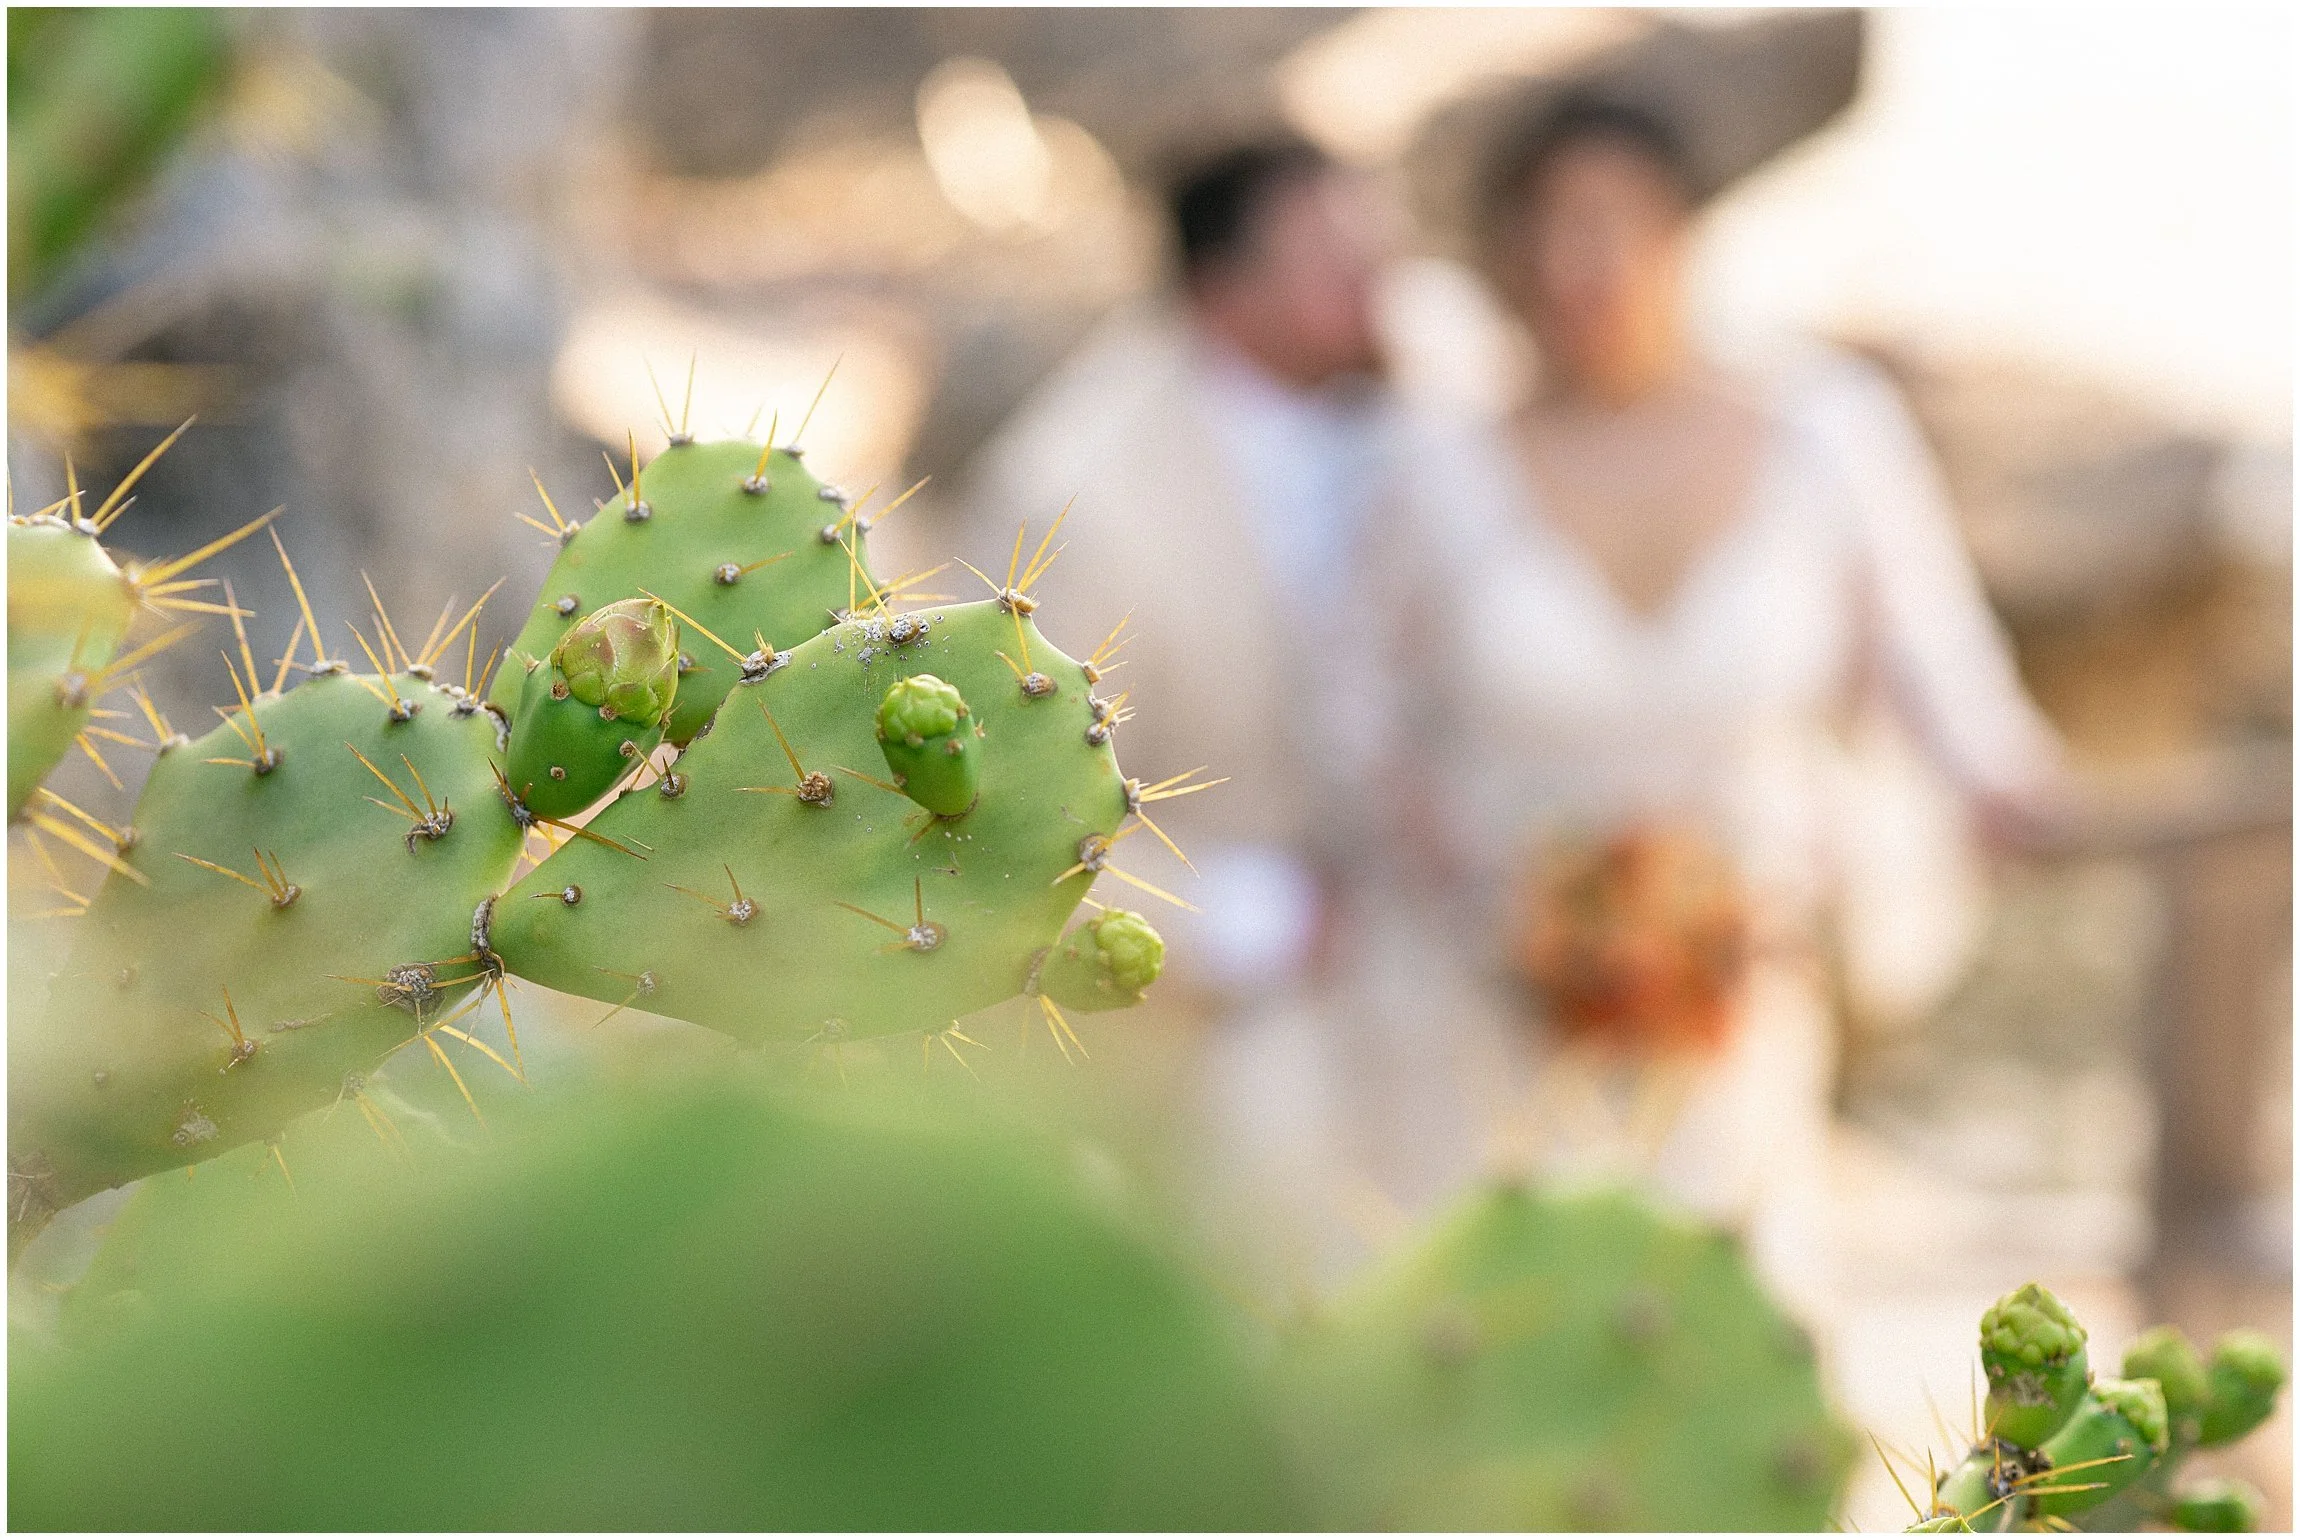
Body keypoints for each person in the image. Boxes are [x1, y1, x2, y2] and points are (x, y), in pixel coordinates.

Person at [1341, 93, 2071, 1328]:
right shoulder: (1433, 466)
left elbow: (1933, 659)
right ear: (1502, 265)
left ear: (1682, 235)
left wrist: (2011, 786)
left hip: (1738, 985)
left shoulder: (1824, 431)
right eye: (1546, 234)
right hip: (1490, 992)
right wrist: (1506, 909)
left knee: (1728, 1330)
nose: (1582, 268)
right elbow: (1359, 716)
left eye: (1613, 226)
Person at [941, 135, 1444, 1287]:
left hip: (1451, 967)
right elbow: (1000, 824)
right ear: (1226, 293)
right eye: (1332, 260)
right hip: (1221, 1019)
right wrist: (1249, 917)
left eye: (1377, 245)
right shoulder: (1074, 492)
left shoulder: (1441, 375)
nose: (1379, 281)